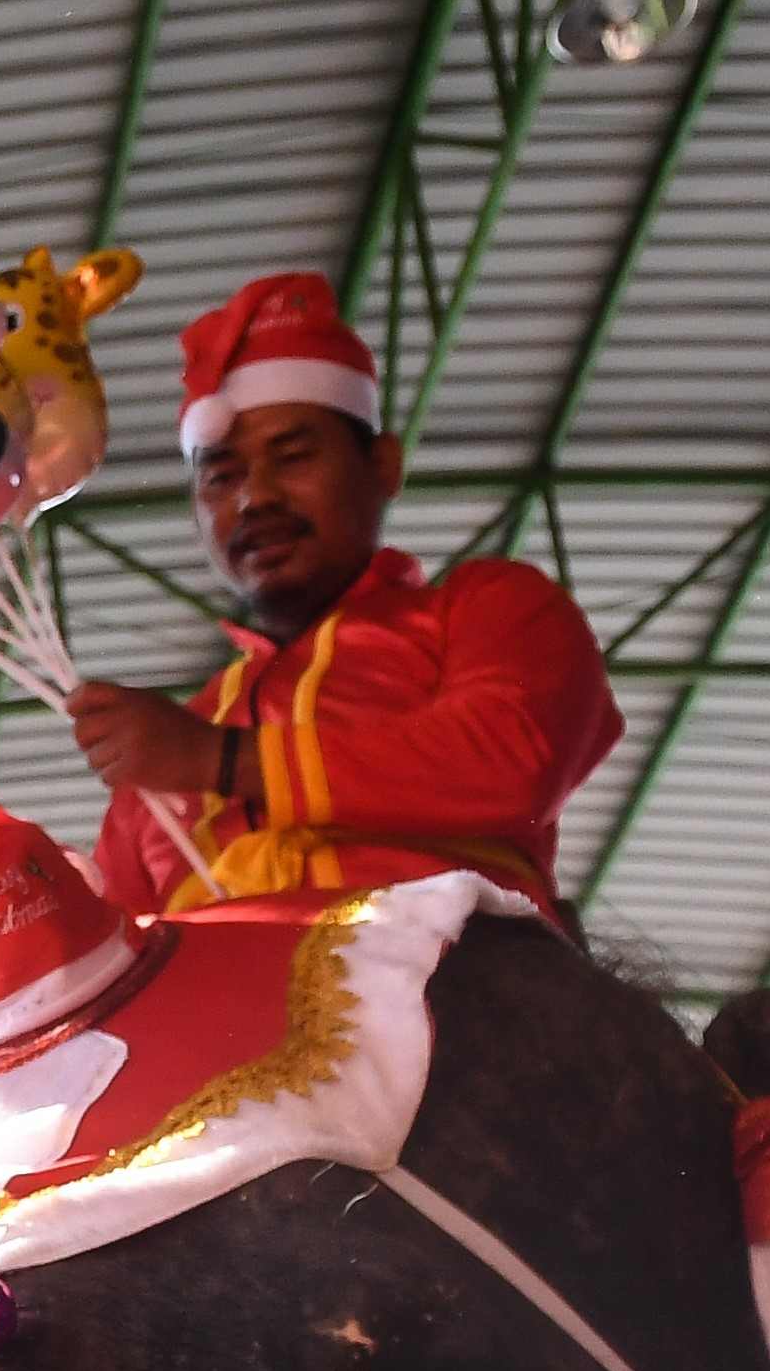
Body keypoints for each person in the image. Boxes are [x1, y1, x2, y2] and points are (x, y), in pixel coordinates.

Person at [52, 271, 616, 921]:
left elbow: (509, 763)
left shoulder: (490, 605)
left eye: (292, 456)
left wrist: (221, 759)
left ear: (383, 465)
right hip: (239, 1020)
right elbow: (112, 953)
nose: (254, 497)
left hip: (464, 995)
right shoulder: (162, 754)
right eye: (222, 476)